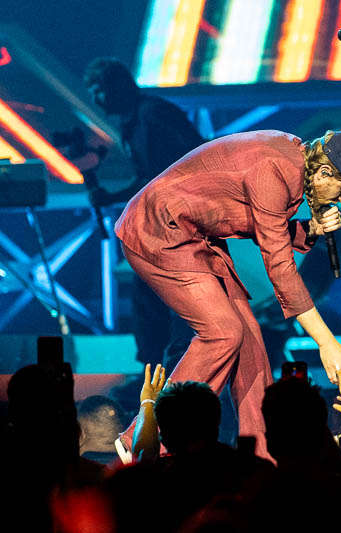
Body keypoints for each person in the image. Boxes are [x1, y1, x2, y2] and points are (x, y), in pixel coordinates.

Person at [113, 129, 341, 461]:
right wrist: (327, 342)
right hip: (160, 231)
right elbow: (280, 269)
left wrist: (311, 229)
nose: (340, 201)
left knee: (250, 344)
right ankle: (146, 439)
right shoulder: (273, 171)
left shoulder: (294, 160)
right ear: (324, 172)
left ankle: (262, 457)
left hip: (197, 239)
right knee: (223, 333)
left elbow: (264, 224)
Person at [83, 57, 204, 383]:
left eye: (99, 89)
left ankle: (164, 369)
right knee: (152, 294)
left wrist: (113, 196)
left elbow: (164, 174)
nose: (96, 98)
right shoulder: (138, 119)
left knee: (161, 295)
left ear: (118, 86)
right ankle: (159, 368)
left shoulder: (153, 116)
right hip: (168, 222)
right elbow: (151, 177)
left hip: (179, 223)